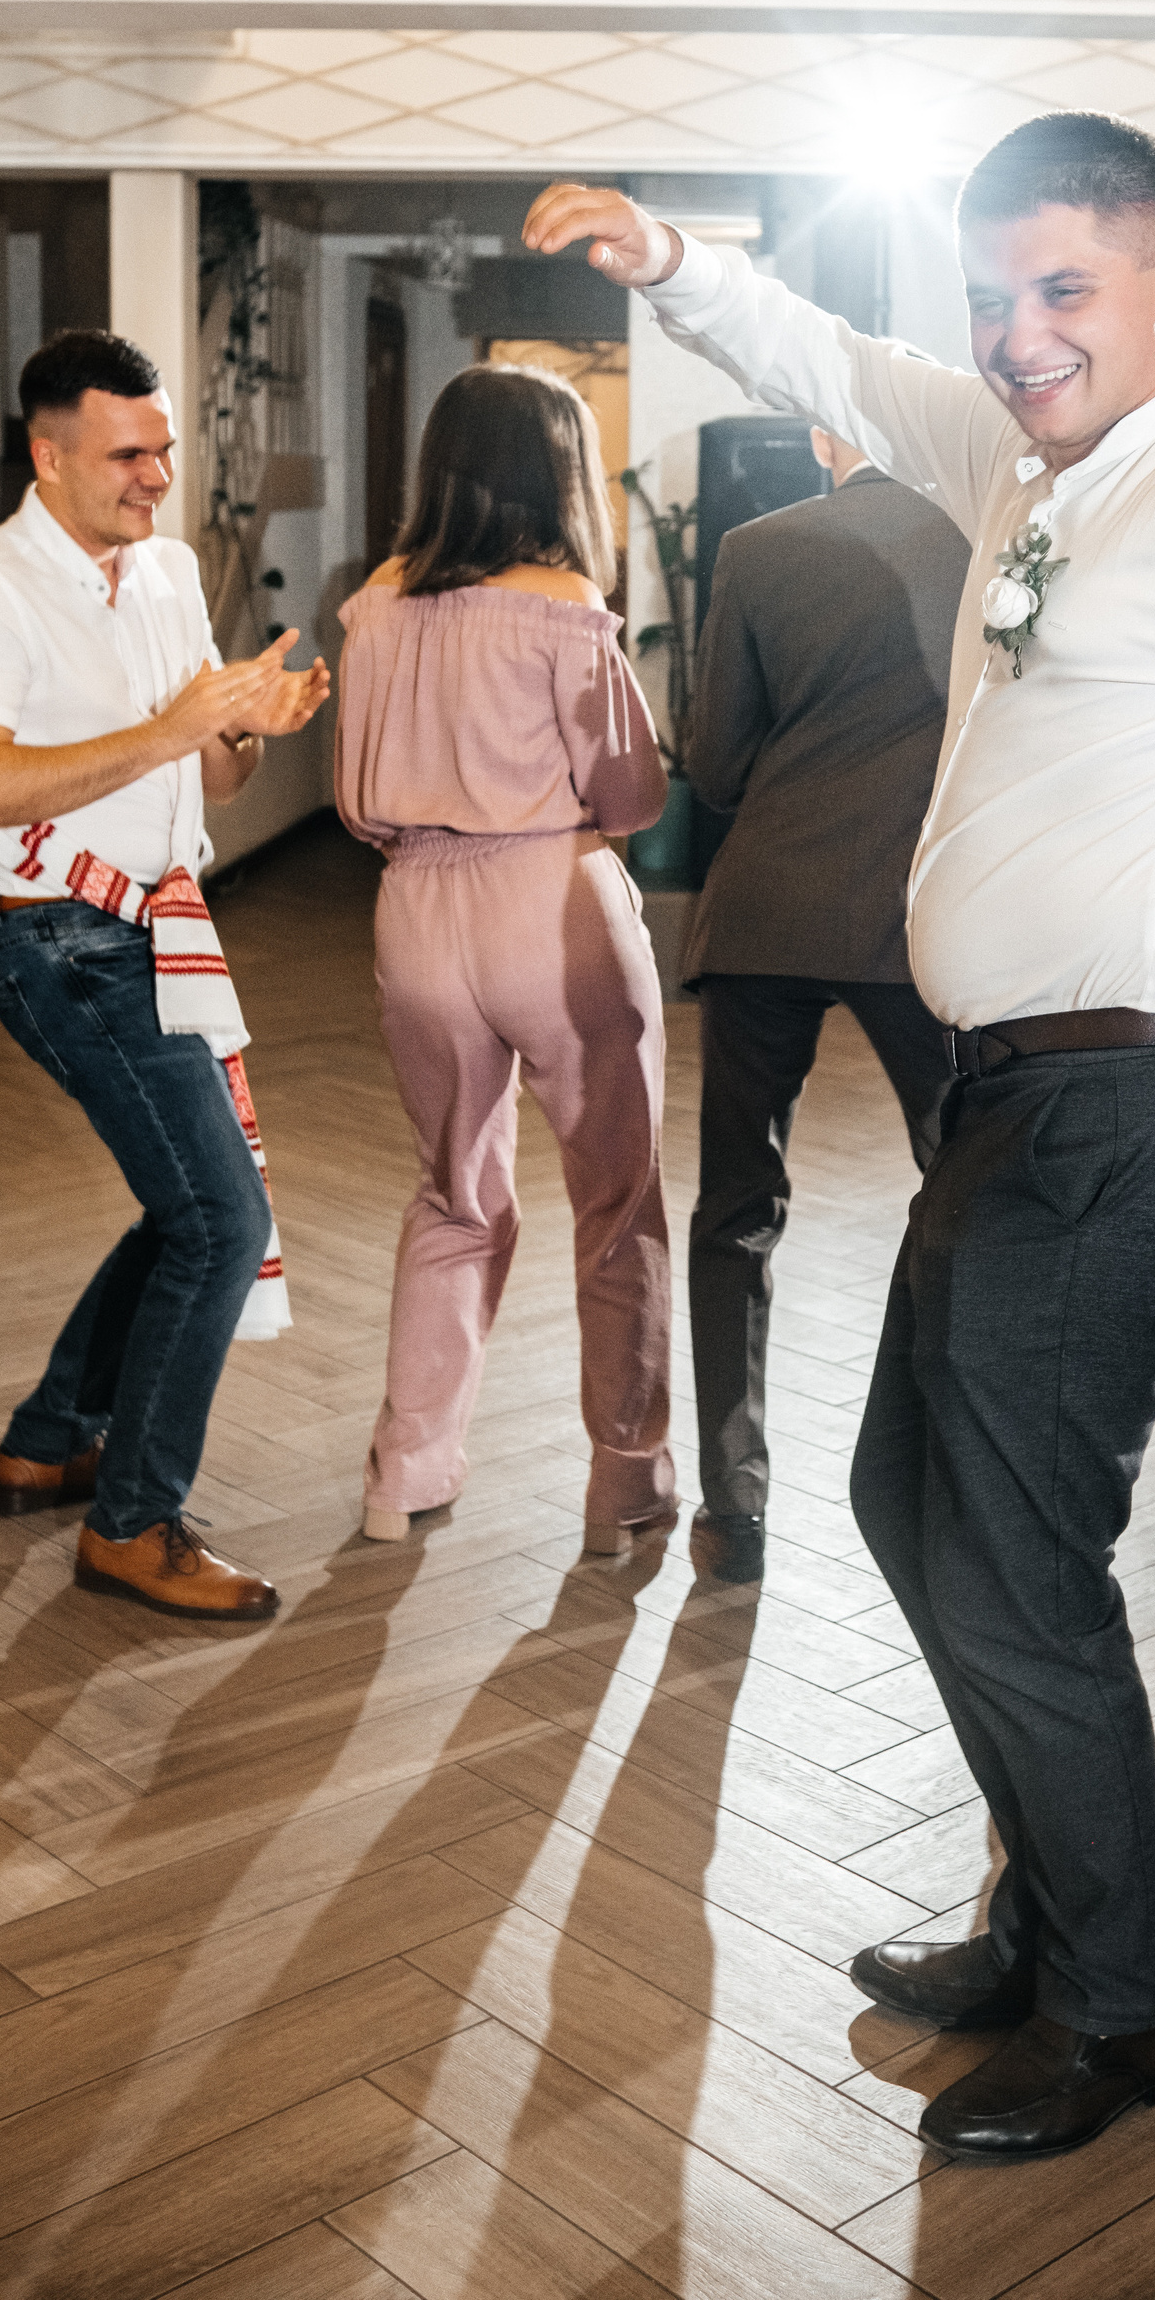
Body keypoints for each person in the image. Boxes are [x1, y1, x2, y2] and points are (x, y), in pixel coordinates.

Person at [522, 116, 1155, 2166]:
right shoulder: (1027, 455)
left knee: (1012, 1558)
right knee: (911, 1502)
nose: (1017, 334)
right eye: (993, 296)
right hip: (1018, 1097)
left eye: (1064, 290)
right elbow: (838, 361)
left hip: (1143, 1103)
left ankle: (1120, 2012)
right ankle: (1045, 1925)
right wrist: (671, 264)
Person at [0, 330, 329, 1621]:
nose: (157, 475)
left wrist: (244, 728)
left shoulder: (171, 570)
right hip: (56, 941)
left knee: (188, 1205)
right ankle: (133, 1525)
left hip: (159, 930)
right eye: (127, 454)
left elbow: (215, 777)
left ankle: (50, 1441)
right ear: (48, 457)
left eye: (164, 449)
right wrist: (170, 730)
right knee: (219, 1220)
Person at [334, 362, 676, 1555]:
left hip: (415, 911)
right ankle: (624, 1478)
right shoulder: (565, 603)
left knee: (453, 1194)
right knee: (616, 1200)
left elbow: (353, 802)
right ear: (559, 473)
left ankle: (406, 1473)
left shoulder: (374, 605)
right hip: (551, 907)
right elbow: (632, 797)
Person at [682, 424, 970, 1583]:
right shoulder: (983, 537)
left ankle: (734, 1506)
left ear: (818, 432)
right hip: (921, 921)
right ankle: (955, 1473)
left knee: (735, 1209)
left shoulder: (758, 548)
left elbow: (714, 767)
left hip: (766, 913)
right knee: (966, 1191)